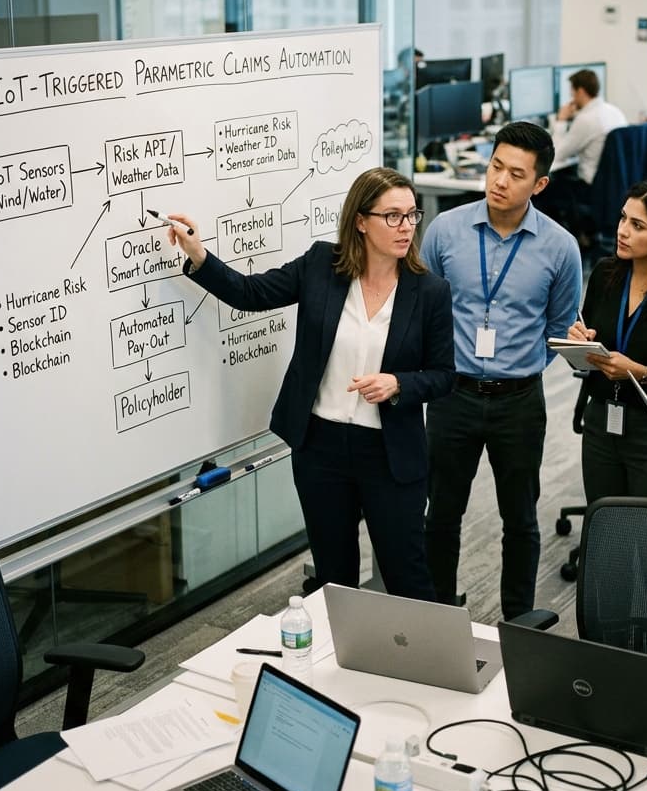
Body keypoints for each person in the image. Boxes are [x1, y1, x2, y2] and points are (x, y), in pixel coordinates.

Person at [167, 167, 454, 600]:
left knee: (407, 576)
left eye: (412, 215)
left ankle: (422, 666)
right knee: (334, 579)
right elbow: (251, 293)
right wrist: (199, 256)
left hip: (389, 452)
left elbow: (444, 375)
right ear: (361, 220)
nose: (406, 227)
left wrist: (398, 383)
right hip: (321, 449)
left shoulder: (429, 291)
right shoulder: (322, 265)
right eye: (392, 216)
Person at [422, 121, 583, 620]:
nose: (500, 181)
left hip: (519, 400)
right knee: (442, 516)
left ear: (539, 185)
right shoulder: (446, 230)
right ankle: (435, 614)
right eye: (496, 167)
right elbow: (423, 307)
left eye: (516, 174)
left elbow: (559, 326)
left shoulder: (560, 248)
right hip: (454, 395)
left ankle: (519, 621)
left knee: (521, 520)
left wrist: (519, 365)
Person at [566, 179, 647, 503]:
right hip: (600, 418)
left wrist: (635, 370)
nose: (623, 231)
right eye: (623, 218)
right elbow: (588, 336)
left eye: (638, 226)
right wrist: (578, 341)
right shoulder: (606, 273)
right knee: (603, 518)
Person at [538, 68, 626, 229]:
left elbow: (556, 154)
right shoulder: (614, 111)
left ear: (580, 92)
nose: (571, 98)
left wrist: (561, 120)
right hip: (615, 184)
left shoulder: (586, 119)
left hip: (590, 187)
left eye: (572, 94)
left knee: (543, 189)